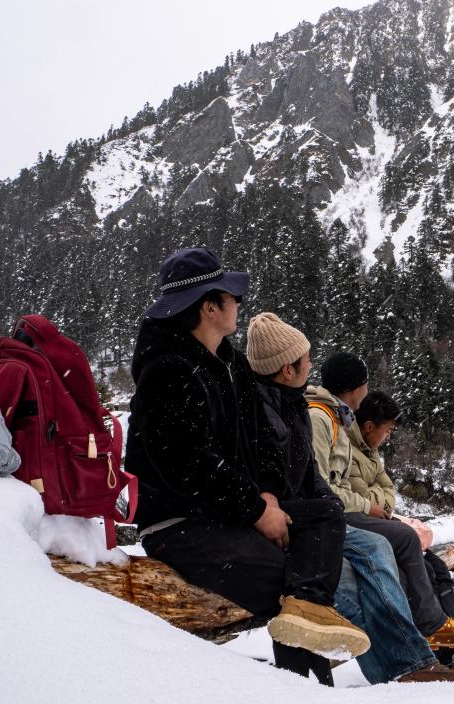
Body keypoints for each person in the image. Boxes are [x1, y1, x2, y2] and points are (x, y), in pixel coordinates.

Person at [124, 248, 367, 685]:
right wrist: (255, 509)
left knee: (325, 515)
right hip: (179, 523)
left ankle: (310, 641)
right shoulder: (168, 371)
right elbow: (187, 466)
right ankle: (304, 684)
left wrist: (267, 493)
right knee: (287, 584)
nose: (239, 304)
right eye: (232, 297)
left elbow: (254, 441)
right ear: (209, 307)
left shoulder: (229, 363)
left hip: (227, 510)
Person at [245, 313, 454, 684]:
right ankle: (409, 665)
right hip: (296, 523)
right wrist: (339, 507)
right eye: (306, 359)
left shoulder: (300, 409)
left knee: (382, 553)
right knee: (359, 574)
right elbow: (287, 480)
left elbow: (316, 478)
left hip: (317, 519)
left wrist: (331, 508)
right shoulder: (298, 414)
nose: (311, 366)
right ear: (287, 369)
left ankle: (412, 662)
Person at [305, 353, 454, 652]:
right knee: (403, 539)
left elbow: (385, 488)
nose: (368, 388)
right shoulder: (321, 418)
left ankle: (446, 627)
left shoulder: (337, 419)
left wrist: (371, 502)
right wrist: (367, 505)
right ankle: (431, 627)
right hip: (332, 515)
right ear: (353, 387)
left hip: (341, 510)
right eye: (365, 382)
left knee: (429, 562)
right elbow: (323, 486)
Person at [346, 390, 454, 675]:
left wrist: (376, 498)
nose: (388, 437)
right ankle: (441, 638)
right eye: (387, 431)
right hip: (361, 526)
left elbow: (387, 495)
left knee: (435, 565)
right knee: (414, 565)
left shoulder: (370, 452)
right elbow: (361, 499)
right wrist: (375, 498)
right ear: (369, 426)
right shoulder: (348, 449)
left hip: (376, 523)